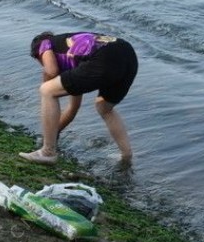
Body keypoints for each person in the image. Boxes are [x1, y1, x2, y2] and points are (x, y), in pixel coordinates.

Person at [18, 31, 138, 164]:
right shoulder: (74, 60)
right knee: (104, 107)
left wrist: (45, 81)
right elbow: (72, 109)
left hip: (103, 56)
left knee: (46, 91)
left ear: (37, 56)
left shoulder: (44, 43)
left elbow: (51, 70)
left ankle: (47, 152)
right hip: (128, 54)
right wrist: (53, 132)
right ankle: (126, 156)